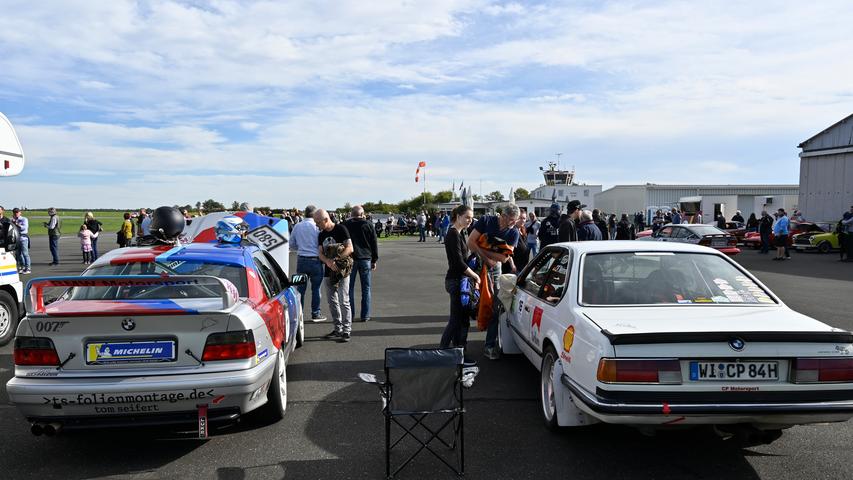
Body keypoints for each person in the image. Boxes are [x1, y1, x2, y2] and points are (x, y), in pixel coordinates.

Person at [467, 204, 520, 360]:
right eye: (511, 220)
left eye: (515, 220)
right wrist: (487, 257)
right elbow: (470, 242)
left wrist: (481, 249)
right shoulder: (486, 220)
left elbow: (504, 258)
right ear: (502, 216)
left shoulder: (514, 232)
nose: (513, 223)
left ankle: (489, 345)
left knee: (495, 306)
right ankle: (459, 345)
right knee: (468, 303)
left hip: (495, 271)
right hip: (475, 266)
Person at [440, 205, 480, 350]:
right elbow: (458, 262)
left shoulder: (460, 233)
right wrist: (475, 275)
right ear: (458, 217)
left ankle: (457, 349)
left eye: (471, 217)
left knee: (462, 319)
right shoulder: (453, 234)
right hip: (455, 280)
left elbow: (463, 259)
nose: (470, 220)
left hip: (460, 280)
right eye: (467, 217)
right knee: (456, 320)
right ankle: (444, 349)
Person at [316, 208, 354, 342]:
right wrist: (327, 261)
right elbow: (320, 252)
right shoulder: (321, 235)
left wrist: (336, 260)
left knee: (344, 300)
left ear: (326, 220)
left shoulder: (341, 229)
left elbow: (350, 248)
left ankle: (346, 330)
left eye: (318, 222)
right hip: (328, 271)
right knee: (332, 301)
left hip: (342, 270)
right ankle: (338, 328)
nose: (317, 225)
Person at [290, 205, 326, 322]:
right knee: (316, 289)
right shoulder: (316, 227)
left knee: (300, 289)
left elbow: (292, 244)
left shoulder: (297, 226)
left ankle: (298, 313)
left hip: (302, 260)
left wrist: (301, 247)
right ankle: (316, 313)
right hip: (315, 260)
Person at [344, 205, 379, 322]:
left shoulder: (346, 225)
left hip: (352, 258)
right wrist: (374, 260)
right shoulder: (368, 224)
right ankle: (365, 315)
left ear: (352, 214)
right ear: (362, 213)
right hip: (365, 258)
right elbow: (374, 243)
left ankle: (351, 314)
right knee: (366, 288)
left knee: (350, 288)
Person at [12, 208, 30, 274]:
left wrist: (16, 224)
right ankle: (22, 267)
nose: (16, 213)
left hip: (23, 238)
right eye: (14, 212)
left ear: (20, 212)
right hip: (16, 238)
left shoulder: (24, 219)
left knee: (25, 253)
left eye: (17, 212)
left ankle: (28, 268)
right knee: (18, 254)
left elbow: (24, 228)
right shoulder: (12, 220)